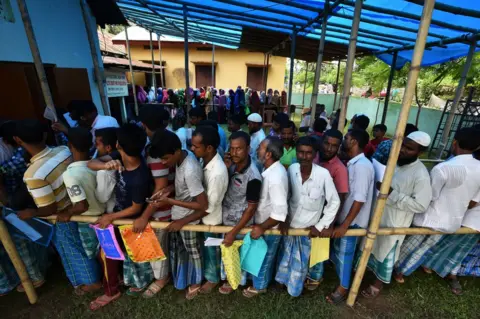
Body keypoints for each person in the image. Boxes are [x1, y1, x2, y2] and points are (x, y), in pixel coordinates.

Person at [14, 120, 102, 294]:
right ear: (45, 135)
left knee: (73, 251)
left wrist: (32, 212)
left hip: (64, 215)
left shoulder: (33, 175)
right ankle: (92, 278)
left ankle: (90, 282)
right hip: (79, 207)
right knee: (84, 248)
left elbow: (49, 209)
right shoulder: (62, 150)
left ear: (18, 140)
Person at [395, 127, 480, 284]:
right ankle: (402, 273)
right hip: (452, 221)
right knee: (425, 248)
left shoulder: (443, 168)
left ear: (454, 142)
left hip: (430, 217)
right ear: (476, 147)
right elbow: (473, 202)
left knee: (411, 245)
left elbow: (430, 196)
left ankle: (397, 269)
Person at [358, 131, 433, 299]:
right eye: (403, 145)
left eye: (409, 148)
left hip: (395, 221)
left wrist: (392, 195)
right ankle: (362, 274)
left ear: (420, 152)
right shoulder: (394, 162)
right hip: (378, 214)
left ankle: (377, 284)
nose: (403, 150)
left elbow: (421, 205)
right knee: (370, 245)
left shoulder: (420, 175)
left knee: (386, 252)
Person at [88, 124, 154, 298]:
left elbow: (136, 207)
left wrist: (110, 217)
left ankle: (115, 289)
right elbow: (91, 163)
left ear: (118, 144)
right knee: (112, 252)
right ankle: (116, 282)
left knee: (131, 255)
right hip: (118, 216)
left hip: (129, 220)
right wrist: (106, 165)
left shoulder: (139, 176)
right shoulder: (120, 156)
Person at [276, 136, 340, 297]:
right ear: (296, 153)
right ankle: (282, 283)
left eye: (308, 153)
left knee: (300, 264)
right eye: (301, 153)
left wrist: (320, 226)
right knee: (285, 258)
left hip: (308, 230)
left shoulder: (323, 174)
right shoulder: (292, 170)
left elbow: (334, 202)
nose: (304, 157)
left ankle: (294, 290)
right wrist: (283, 219)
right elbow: (285, 196)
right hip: (290, 226)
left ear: (315, 155)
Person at [148, 132, 208, 300]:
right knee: (183, 252)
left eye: (166, 158)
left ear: (176, 151)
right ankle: (185, 279)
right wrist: (169, 190)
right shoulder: (181, 159)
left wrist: (174, 206)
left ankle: (196, 283)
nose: (164, 163)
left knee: (193, 253)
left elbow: (203, 205)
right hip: (181, 216)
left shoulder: (190, 170)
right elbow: (184, 187)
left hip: (190, 220)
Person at [327, 129, 374, 305]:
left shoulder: (362, 166)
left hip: (352, 222)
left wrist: (345, 225)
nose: (343, 141)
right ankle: (342, 279)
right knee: (340, 253)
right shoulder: (354, 163)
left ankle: (344, 288)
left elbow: (360, 199)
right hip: (347, 219)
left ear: (353, 142)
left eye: (345, 138)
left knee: (345, 255)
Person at [131, 106, 173, 299]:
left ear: (143, 125)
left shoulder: (156, 150)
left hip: (161, 208)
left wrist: (145, 215)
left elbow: (161, 187)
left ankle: (161, 279)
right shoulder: (165, 140)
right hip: (163, 204)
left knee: (159, 245)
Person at [240, 136, 287, 298]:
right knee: (259, 256)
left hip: (268, 226)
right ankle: (258, 283)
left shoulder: (276, 177)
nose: (256, 149)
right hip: (263, 223)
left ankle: (260, 286)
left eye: (260, 147)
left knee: (264, 258)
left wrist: (262, 227)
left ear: (268, 154)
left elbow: (280, 212)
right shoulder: (269, 171)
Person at [220, 131, 262, 294]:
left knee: (236, 253)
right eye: (232, 148)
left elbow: (251, 208)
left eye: (239, 149)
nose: (234, 152)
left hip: (239, 223)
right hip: (226, 217)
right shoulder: (230, 164)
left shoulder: (253, 177)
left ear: (248, 149)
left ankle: (235, 281)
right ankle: (228, 277)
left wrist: (234, 231)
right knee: (228, 253)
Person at [189, 126, 228, 293]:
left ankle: (213, 279)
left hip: (212, 219)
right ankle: (209, 275)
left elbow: (209, 207)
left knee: (212, 250)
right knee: (206, 247)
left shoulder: (218, 172)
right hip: (202, 216)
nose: (192, 149)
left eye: (196, 146)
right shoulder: (202, 160)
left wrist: (184, 220)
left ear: (209, 148)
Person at [314, 129, 349, 217]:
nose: (329, 149)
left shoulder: (340, 169)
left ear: (338, 147)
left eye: (334, 146)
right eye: (327, 143)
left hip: (321, 216)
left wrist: (329, 224)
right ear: (321, 142)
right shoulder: (312, 156)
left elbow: (340, 199)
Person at [52, 100, 119, 141]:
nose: (78, 123)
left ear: (84, 118)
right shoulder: (110, 118)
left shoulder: (97, 128)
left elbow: (88, 146)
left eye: (79, 120)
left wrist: (66, 131)